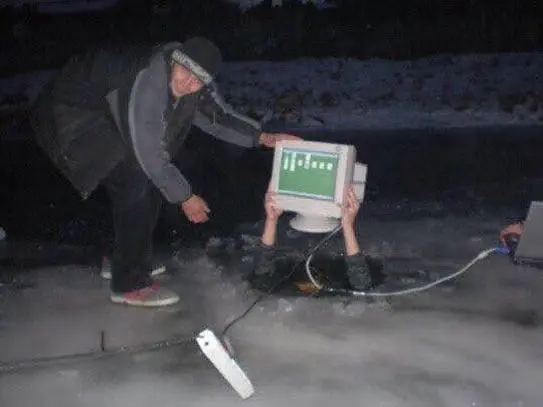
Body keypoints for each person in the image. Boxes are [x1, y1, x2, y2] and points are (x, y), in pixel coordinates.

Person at [31, 37, 300, 307]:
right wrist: (185, 197)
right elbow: (150, 154)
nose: (188, 84)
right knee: (134, 176)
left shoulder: (191, 84)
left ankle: (122, 258)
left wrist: (262, 136)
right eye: (185, 73)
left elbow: (217, 117)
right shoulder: (150, 81)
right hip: (71, 111)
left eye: (197, 81)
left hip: (103, 107)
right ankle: (130, 284)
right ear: (175, 62)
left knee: (149, 176)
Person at [245, 186, 384, 294]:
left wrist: (348, 226)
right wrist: (271, 219)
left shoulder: (334, 285)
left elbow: (362, 288)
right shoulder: (289, 280)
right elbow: (260, 280)